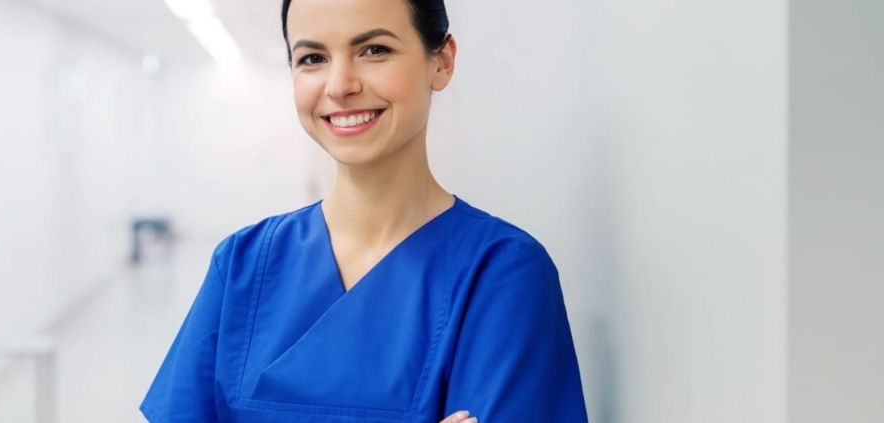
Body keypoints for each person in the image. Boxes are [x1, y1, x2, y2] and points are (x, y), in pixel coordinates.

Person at [140, 0, 588, 421]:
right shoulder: (243, 263)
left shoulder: (501, 272)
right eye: (313, 58)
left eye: (374, 50)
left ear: (441, 62)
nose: (339, 86)